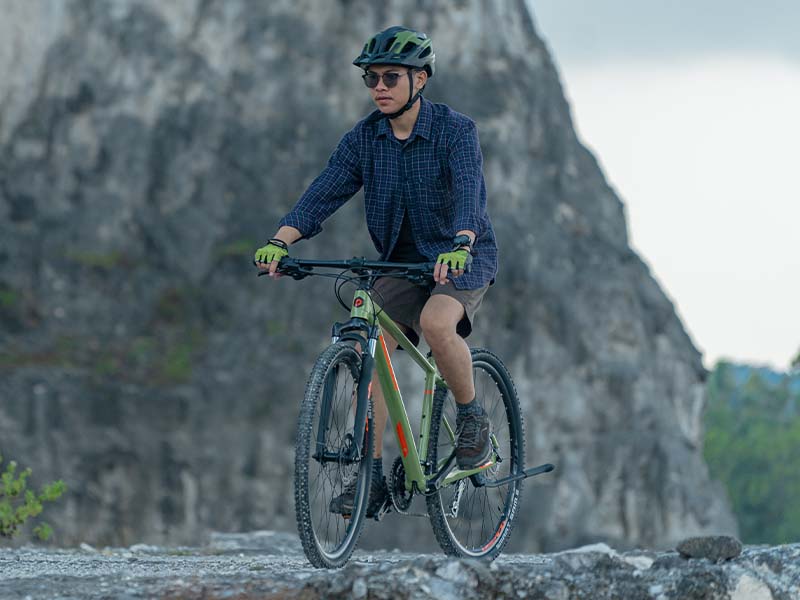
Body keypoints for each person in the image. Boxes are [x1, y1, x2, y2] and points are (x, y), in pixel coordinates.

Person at [254, 26, 498, 518]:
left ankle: (472, 418)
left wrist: (462, 242)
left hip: (459, 257)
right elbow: (324, 192)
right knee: (373, 342)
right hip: (400, 263)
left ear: (421, 80)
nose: (379, 87)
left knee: (435, 323)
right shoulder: (363, 140)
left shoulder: (455, 131)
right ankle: (369, 471)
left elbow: (471, 192)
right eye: (371, 79)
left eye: (391, 76)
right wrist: (281, 241)